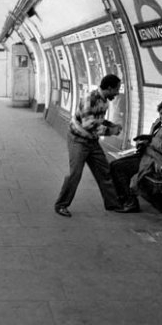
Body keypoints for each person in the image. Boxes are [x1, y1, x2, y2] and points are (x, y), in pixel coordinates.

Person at [54, 74, 123, 217]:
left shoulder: (104, 101)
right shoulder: (89, 99)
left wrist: (111, 125)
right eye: (116, 89)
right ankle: (61, 205)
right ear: (109, 88)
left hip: (92, 141)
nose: (117, 93)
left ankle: (113, 204)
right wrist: (111, 131)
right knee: (75, 174)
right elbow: (89, 124)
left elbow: (98, 119)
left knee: (104, 171)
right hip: (78, 140)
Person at [111, 99, 162, 213]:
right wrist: (143, 142)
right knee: (114, 165)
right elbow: (153, 142)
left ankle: (131, 202)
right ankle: (122, 198)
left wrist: (151, 140)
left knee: (120, 168)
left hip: (156, 161)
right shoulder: (159, 123)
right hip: (147, 155)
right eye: (161, 113)